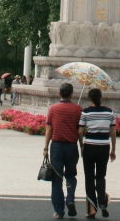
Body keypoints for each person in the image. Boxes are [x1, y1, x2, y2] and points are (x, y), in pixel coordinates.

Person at [44, 83, 82, 219]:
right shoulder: (78, 109)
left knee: (57, 179)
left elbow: (49, 129)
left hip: (57, 147)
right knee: (71, 175)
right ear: (72, 95)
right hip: (72, 146)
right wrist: (82, 146)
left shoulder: (53, 109)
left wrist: (45, 148)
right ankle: (70, 199)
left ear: (59, 94)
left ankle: (59, 211)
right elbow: (80, 131)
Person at [79, 88, 115, 219]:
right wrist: (113, 150)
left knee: (89, 177)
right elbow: (113, 132)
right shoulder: (109, 112)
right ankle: (102, 202)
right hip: (104, 147)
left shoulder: (85, 112)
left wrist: (81, 145)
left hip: (89, 146)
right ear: (101, 98)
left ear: (89, 99)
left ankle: (92, 208)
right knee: (100, 176)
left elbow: (80, 131)